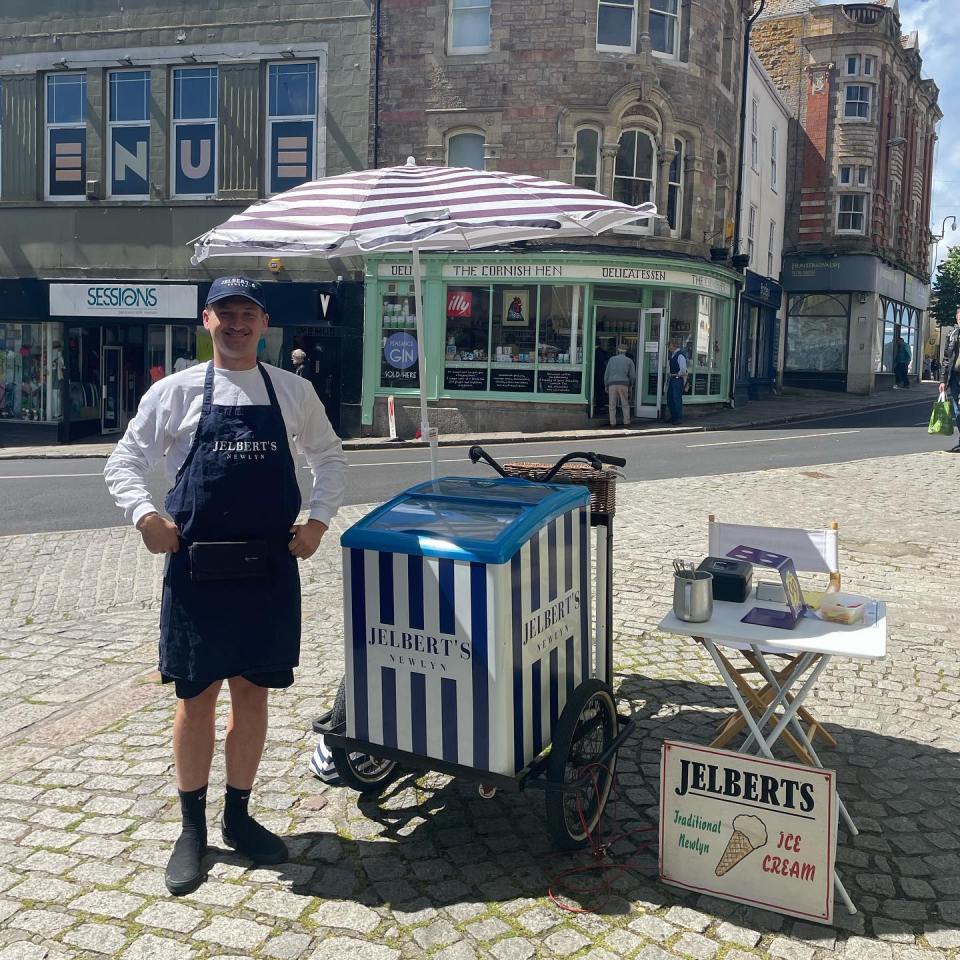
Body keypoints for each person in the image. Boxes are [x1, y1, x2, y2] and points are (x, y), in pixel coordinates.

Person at [104, 276, 347, 896]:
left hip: (268, 566)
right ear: (206, 322)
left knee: (253, 693)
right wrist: (146, 516)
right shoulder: (175, 391)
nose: (236, 323)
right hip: (198, 569)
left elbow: (331, 457)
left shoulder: (293, 391)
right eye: (225, 313)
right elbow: (124, 462)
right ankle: (192, 830)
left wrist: (318, 522)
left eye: (248, 313)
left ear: (263, 324)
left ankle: (238, 818)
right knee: (196, 697)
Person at [939, 323, 960, 452]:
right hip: (955, 377)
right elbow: (946, 359)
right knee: (957, 411)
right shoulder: (952, 335)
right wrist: (943, 380)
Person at [604, 344, 635, 426]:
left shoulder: (611, 359)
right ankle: (627, 422)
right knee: (625, 404)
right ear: (626, 351)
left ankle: (612, 423)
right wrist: (631, 385)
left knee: (612, 404)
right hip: (624, 384)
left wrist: (606, 384)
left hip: (612, 384)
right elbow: (632, 376)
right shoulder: (629, 361)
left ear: (618, 350)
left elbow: (607, 373)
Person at [666, 337, 688, 425]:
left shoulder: (680, 355)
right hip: (673, 379)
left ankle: (678, 418)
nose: (668, 347)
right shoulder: (674, 354)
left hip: (677, 379)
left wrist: (675, 375)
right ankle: (673, 416)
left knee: (676, 398)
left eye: (669, 345)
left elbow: (683, 370)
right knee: (670, 398)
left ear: (673, 345)